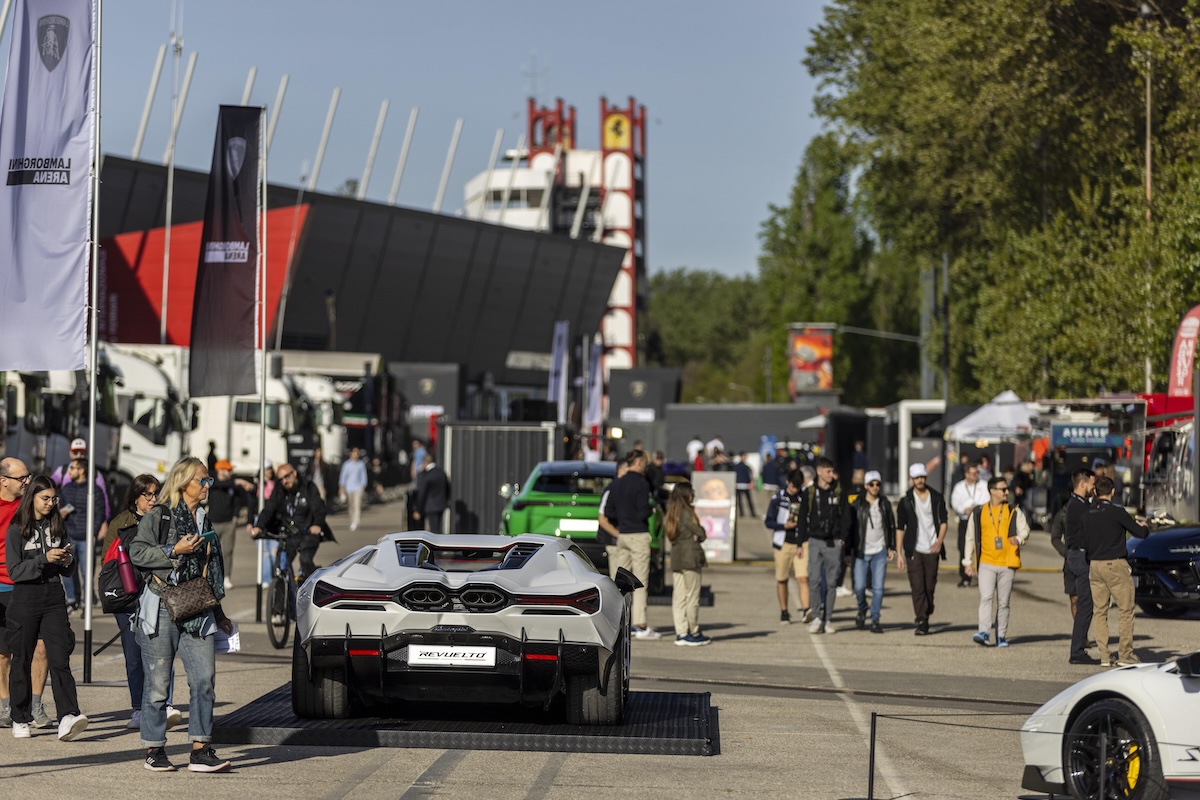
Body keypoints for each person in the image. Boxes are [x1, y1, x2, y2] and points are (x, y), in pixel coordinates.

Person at [131, 458, 232, 772]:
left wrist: (220, 611)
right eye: (202, 480)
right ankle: (155, 749)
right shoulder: (159, 514)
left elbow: (211, 569)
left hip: (198, 608)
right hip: (162, 604)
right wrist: (173, 550)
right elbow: (137, 552)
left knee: (204, 679)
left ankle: (201, 748)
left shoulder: (204, 519)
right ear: (183, 482)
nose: (206, 486)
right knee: (158, 683)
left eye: (207, 481)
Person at [5, 475, 89, 740]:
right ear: (32, 498)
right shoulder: (16, 527)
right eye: (45, 498)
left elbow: (69, 569)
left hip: (53, 595)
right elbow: (15, 570)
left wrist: (66, 560)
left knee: (59, 657)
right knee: (22, 658)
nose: (51, 504)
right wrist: (43, 559)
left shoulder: (57, 524)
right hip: (25, 597)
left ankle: (69, 715)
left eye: (54, 499)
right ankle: (20, 717)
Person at [103, 474, 182, 731]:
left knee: (163, 650)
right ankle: (138, 707)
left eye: (155, 493)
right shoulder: (120, 523)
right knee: (134, 655)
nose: (152, 499)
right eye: (147, 494)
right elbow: (108, 563)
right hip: (128, 595)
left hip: (158, 591)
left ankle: (165, 704)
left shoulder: (165, 518)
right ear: (135, 497)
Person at [0, 460, 52, 731]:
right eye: (22, 477)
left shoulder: (31, 506)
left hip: (30, 584)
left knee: (41, 647)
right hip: (2, 586)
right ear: (3, 480)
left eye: (28, 477)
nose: (26, 481)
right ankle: (6, 704)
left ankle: (35, 704)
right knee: (4, 652)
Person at [1083, 475, 1149, 668]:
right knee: (1126, 610)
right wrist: (1145, 526)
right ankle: (1125, 654)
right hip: (1115, 564)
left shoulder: (1087, 515)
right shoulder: (1117, 512)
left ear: (1095, 492)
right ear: (1113, 492)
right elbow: (1140, 533)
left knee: (1100, 611)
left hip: (1095, 565)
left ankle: (1104, 655)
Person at [963, 476, 1031, 647]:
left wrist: (1019, 538)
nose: (1006, 492)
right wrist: (967, 561)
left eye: (1006, 489)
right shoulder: (978, 512)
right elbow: (970, 537)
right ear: (992, 491)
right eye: (1003, 489)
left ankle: (1001, 635)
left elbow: (1025, 530)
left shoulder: (1012, 509)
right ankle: (984, 632)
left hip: (1007, 563)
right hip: (986, 562)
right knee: (986, 597)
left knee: (1004, 602)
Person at [603, 449, 661, 639]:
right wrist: (651, 509)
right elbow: (643, 512)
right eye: (644, 462)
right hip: (638, 534)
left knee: (621, 582)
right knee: (640, 581)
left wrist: (622, 517)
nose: (646, 465)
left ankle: (618, 621)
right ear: (637, 463)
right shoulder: (642, 484)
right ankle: (640, 624)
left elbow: (609, 511)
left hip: (622, 535)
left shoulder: (617, 484)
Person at [251, 462, 333, 583]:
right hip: (289, 533)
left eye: (287, 477)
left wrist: (317, 524)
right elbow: (269, 509)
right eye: (281, 479)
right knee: (280, 566)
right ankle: (280, 596)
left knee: (305, 560)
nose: (284, 481)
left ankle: (315, 585)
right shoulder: (279, 489)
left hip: (307, 532)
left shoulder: (308, 487)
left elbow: (319, 508)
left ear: (294, 473)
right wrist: (258, 526)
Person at [895, 463, 948, 635]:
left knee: (929, 585)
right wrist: (899, 553)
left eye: (922, 477)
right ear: (912, 479)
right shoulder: (905, 501)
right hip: (914, 548)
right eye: (916, 477)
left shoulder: (937, 497)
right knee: (917, 585)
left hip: (932, 546)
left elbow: (944, 522)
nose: (920, 480)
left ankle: (927, 608)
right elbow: (900, 527)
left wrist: (939, 542)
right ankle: (921, 620)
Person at [842, 470, 894, 633]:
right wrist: (847, 552)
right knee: (859, 587)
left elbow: (891, 526)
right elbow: (850, 529)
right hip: (861, 551)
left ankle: (875, 619)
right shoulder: (857, 504)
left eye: (878, 484)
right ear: (865, 486)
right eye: (871, 484)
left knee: (878, 588)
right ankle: (862, 608)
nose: (875, 487)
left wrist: (891, 547)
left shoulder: (884, 503)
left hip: (879, 551)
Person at [58, 457, 108, 610]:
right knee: (67, 569)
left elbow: (99, 513)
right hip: (70, 535)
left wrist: (93, 532)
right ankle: (72, 599)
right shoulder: (67, 488)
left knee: (87, 573)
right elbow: (62, 507)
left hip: (86, 537)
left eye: (73, 468)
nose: (70, 471)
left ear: (81, 470)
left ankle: (86, 602)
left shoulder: (95, 490)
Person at [664, 482, 710, 646]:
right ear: (685, 495)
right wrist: (699, 534)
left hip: (677, 557)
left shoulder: (671, 512)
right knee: (692, 597)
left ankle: (681, 632)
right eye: (692, 492)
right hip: (690, 558)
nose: (694, 495)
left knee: (679, 597)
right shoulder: (687, 513)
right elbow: (701, 533)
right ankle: (694, 631)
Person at [1063, 468, 1099, 665]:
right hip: (1078, 555)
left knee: (1086, 604)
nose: (1094, 489)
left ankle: (1078, 648)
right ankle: (1077, 651)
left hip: (1078, 555)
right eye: (1092, 485)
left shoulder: (1081, 504)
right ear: (1083, 484)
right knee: (1085, 604)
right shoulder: (1078, 506)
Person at [764, 469, 810, 624]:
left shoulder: (805, 497)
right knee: (782, 578)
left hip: (801, 542)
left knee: (802, 578)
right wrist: (784, 525)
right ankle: (784, 611)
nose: (795, 489)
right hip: (782, 542)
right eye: (793, 486)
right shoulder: (778, 498)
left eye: (798, 486)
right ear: (788, 482)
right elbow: (768, 522)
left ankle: (806, 610)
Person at [804, 457, 844, 634]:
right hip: (815, 540)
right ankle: (817, 617)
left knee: (831, 583)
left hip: (834, 542)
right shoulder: (811, 492)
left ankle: (827, 619)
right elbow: (802, 517)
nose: (831, 475)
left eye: (832, 471)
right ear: (819, 471)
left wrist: (843, 537)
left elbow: (845, 516)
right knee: (813, 580)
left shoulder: (838, 491)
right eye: (828, 471)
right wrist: (800, 542)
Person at [208, 460, 253, 591]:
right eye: (228, 470)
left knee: (227, 551)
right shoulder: (213, 480)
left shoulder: (233, 484)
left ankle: (226, 577)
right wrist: (237, 482)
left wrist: (235, 516)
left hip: (228, 523)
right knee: (210, 551)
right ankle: (210, 576)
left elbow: (237, 501)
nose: (231, 472)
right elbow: (220, 484)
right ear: (221, 470)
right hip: (214, 522)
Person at [50, 438, 110, 520]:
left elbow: (103, 500)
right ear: (70, 453)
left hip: (86, 519)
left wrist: (104, 521)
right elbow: (49, 486)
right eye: (75, 452)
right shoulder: (62, 471)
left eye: (82, 453)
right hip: (65, 520)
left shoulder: (95, 474)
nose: (78, 455)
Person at [949, 462, 988, 588]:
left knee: (982, 547)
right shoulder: (959, 487)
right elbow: (954, 502)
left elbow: (988, 500)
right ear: (966, 474)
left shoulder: (984, 485)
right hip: (965, 520)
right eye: (972, 473)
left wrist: (977, 508)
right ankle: (965, 576)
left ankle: (984, 575)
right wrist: (963, 509)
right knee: (963, 547)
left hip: (980, 520)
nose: (975, 475)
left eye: (977, 473)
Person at [597, 461, 631, 579]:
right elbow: (602, 519)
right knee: (618, 581)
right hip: (615, 541)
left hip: (623, 540)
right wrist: (619, 535)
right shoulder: (611, 490)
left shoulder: (626, 488)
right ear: (621, 471)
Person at [414, 454, 450, 533]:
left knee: (434, 529)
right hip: (441, 504)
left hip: (430, 506)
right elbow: (447, 487)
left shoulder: (426, 475)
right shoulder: (441, 472)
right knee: (439, 525)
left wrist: (418, 509)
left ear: (424, 462)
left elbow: (422, 493)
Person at [338, 447, 368, 532]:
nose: (356, 455)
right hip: (349, 488)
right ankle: (352, 520)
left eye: (357, 453)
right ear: (351, 454)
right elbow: (343, 477)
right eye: (355, 453)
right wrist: (341, 488)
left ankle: (356, 521)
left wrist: (363, 485)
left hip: (358, 488)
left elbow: (363, 476)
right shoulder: (346, 465)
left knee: (357, 505)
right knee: (351, 505)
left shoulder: (361, 464)